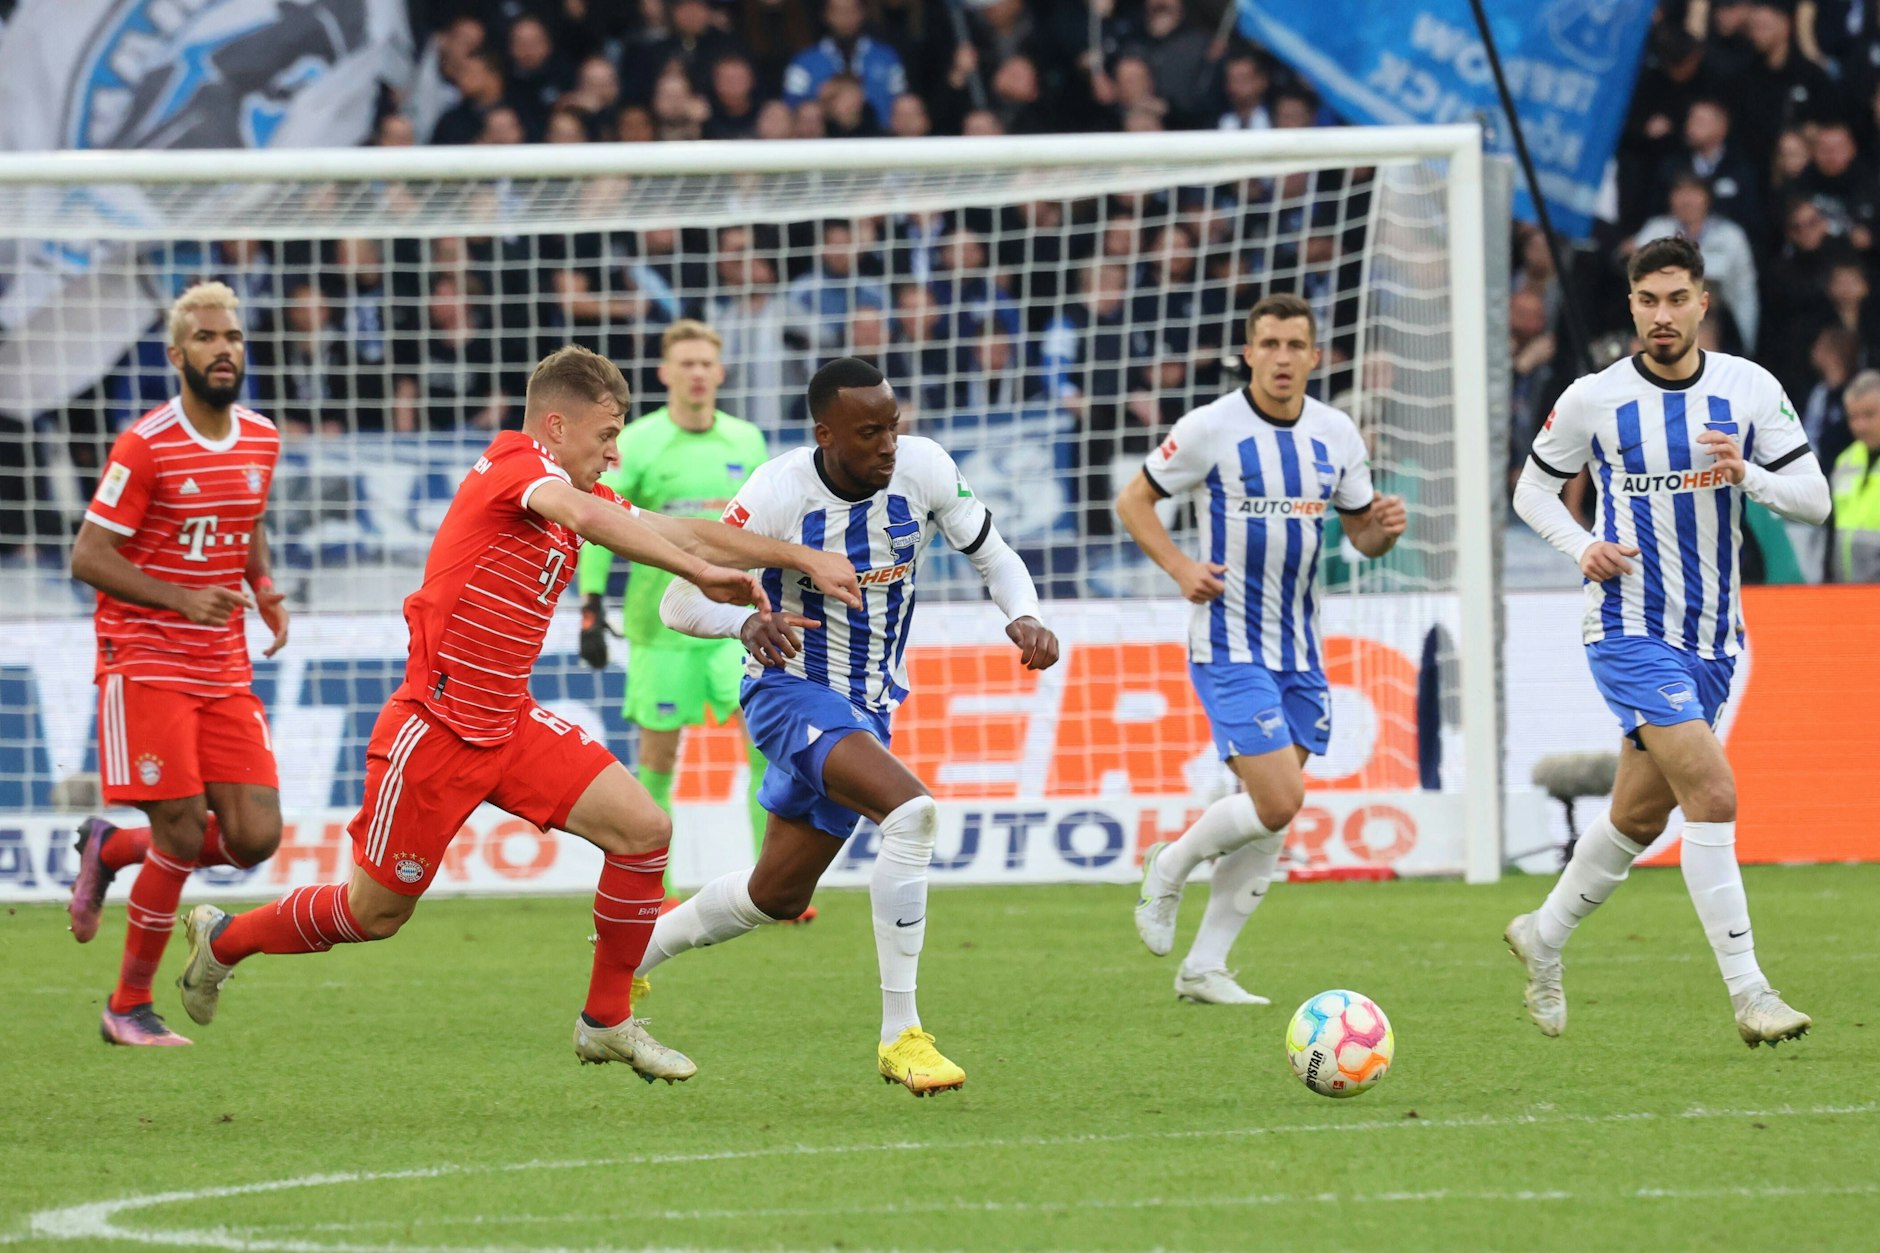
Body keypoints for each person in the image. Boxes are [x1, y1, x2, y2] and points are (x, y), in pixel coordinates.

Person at [173, 346, 861, 1083]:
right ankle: (225, 940)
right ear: (557, 426)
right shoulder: (515, 465)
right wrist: (699, 574)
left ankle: (606, 1021)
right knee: (374, 914)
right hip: (434, 729)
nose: (615, 452)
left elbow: (682, 528)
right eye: (606, 435)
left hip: (510, 722)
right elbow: (594, 517)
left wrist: (796, 557)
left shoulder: (573, 489)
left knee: (644, 832)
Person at [646, 357, 1059, 1096]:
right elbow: (676, 603)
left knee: (775, 894)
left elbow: (995, 558)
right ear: (825, 434)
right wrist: (744, 622)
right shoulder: (777, 491)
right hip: (789, 692)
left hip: (867, 708)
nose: (888, 445)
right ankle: (902, 1034)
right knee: (912, 812)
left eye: (893, 426)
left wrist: (1024, 614)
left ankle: (628, 957)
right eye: (869, 433)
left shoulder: (925, 468)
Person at [1506, 236, 1830, 1047]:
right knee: (1712, 794)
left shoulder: (1748, 387)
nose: (1662, 314)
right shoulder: (1594, 398)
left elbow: (1815, 498)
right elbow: (1531, 490)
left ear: (1702, 302)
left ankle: (1542, 934)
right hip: (1627, 625)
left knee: (1637, 817)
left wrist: (1748, 476)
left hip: (1712, 638)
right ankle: (1751, 993)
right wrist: (1582, 545)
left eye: (1676, 298)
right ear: (1631, 305)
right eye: (1648, 300)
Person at [1117, 294, 1406, 1005]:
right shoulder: (1211, 427)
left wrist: (1384, 530)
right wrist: (1180, 567)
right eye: (1269, 344)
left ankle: (1204, 967)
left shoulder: (1336, 434)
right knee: (1279, 800)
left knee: (1269, 816)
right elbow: (1133, 502)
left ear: (1315, 356)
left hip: (1301, 650)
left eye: (1294, 345)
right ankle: (1170, 864)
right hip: (1228, 642)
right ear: (1249, 353)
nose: (1282, 357)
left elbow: (1362, 536)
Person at [65, 282, 290, 1047]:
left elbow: (246, 518)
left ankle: (111, 848)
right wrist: (179, 597)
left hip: (221, 662)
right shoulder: (146, 444)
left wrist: (263, 586)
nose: (223, 349)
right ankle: (127, 1005)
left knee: (257, 834)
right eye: (205, 338)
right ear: (176, 355)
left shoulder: (261, 437)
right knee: (184, 828)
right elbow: (88, 555)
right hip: (143, 655)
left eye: (232, 337)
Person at [575, 321, 801, 914]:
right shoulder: (638, 442)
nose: (697, 373)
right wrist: (591, 606)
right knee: (658, 759)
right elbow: (598, 518)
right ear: (666, 373)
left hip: (736, 626)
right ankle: (657, 890)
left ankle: (773, 886)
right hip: (662, 631)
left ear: (719, 373)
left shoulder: (746, 441)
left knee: (767, 748)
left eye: (706, 363)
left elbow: (767, 527)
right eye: (687, 363)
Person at [1829, 369, 1880, 581]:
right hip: (1848, 590)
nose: (1860, 426)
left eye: (1869, 415)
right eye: (1853, 417)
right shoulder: (1845, 461)